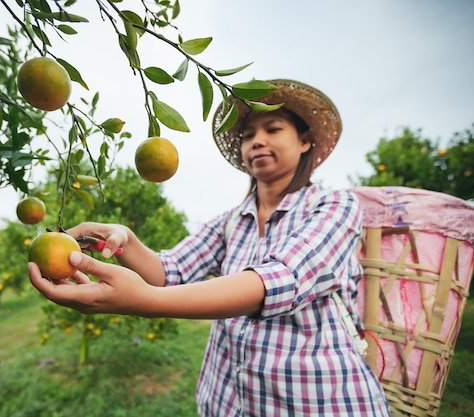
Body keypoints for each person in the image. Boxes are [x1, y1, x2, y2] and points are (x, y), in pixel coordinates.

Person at [28, 79, 391, 416]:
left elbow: (281, 278)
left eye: (273, 129)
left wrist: (145, 303)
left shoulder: (335, 206)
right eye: (249, 135)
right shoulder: (230, 221)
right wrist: (124, 239)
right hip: (227, 399)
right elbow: (169, 271)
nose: (257, 141)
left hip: (314, 401)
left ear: (305, 141)